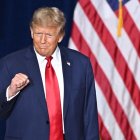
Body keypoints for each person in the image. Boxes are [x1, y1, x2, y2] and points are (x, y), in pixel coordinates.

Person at [0, 7, 99, 140]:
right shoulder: (10, 64)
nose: (42, 41)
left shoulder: (81, 64)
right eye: (38, 33)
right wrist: (10, 91)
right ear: (31, 32)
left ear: (60, 36)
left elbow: (89, 114)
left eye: (49, 35)